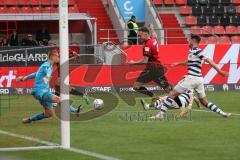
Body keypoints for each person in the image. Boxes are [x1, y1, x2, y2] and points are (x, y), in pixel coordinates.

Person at [151, 34, 231, 119]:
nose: (188, 42)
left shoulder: (197, 50)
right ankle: (222, 113)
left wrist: (220, 71)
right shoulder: (192, 51)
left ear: (193, 40)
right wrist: (177, 63)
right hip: (199, 80)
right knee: (204, 102)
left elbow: (209, 60)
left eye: (189, 40)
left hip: (192, 78)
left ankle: (161, 115)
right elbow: (187, 62)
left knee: (171, 93)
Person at [16, 50, 81, 124]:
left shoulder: (46, 65)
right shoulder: (47, 65)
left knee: (49, 114)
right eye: (57, 56)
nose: (58, 58)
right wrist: (47, 77)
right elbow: (48, 72)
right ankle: (74, 111)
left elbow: (36, 74)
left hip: (40, 92)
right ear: (52, 57)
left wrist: (23, 78)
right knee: (60, 100)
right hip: (41, 91)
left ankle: (29, 120)